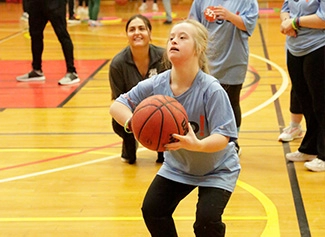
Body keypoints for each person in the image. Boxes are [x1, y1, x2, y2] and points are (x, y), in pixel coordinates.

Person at [110, 19, 240, 236]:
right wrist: (134, 123)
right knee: (153, 210)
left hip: (217, 168)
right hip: (179, 167)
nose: (174, 41)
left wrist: (197, 144)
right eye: (171, 37)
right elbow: (117, 105)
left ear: (198, 48)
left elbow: (224, 136)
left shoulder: (211, 90)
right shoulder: (158, 83)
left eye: (182, 37)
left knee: (206, 223)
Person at [188, 0, 259, 155]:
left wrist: (230, 16)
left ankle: (233, 142)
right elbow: (192, 26)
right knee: (204, 102)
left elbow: (249, 25)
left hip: (233, 59)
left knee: (231, 101)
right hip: (206, 60)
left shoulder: (247, 2)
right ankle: (207, 140)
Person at [109, 14, 168, 164]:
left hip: (162, 110)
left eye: (142, 28)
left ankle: (164, 151)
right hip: (133, 113)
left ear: (150, 33)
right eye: (132, 29)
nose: (137, 33)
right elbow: (119, 101)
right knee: (118, 122)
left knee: (165, 160)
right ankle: (129, 146)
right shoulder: (118, 63)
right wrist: (136, 119)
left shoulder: (164, 57)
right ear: (127, 35)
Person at [280, 0, 325, 172]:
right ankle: (310, 149)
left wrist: (295, 22)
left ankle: (324, 155)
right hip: (294, 48)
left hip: (318, 47)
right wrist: (286, 22)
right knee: (305, 101)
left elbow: (323, 18)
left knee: (321, 103)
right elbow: (285, 8)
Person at [16, 0, 80, 86]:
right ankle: (37, 70)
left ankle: (72, 72)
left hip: (55, 4)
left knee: (62, 34)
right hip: (37, 4)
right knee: (35, 34)